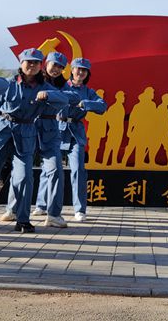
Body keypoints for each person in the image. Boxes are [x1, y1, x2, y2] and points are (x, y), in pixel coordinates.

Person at [0, 48, 68, 233]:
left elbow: (64, 99)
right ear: (21, 63)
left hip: (25, 135)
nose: (32, 65)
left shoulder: (44, 87)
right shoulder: (9, 83)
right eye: (28, 62)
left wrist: (49, 96)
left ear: (41, 66)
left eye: (36, 62)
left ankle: (23, 219)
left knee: (24, 177)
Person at [57, 57, 107, 221]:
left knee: (78, 169)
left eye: (84, 70)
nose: (80, 72)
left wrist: (85, 104)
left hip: (76, 132)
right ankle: (42, 205)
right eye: (78, 69)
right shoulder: (61, 86)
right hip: (57, 130)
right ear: (72, 70)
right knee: (51, 168)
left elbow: (102, 106)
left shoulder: (88, 92)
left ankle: (79, 210)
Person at [31, 51, 68, 228]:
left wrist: (50, 95)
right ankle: (13, 209)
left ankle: (53, 214)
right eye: (54, 65)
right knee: (20, 170)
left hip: (51, 129)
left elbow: (72, 97)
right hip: (29, 126)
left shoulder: (64, 85)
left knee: (55, 169)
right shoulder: (34, 78)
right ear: (46, 64)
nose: (56, 69)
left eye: (61, 67)